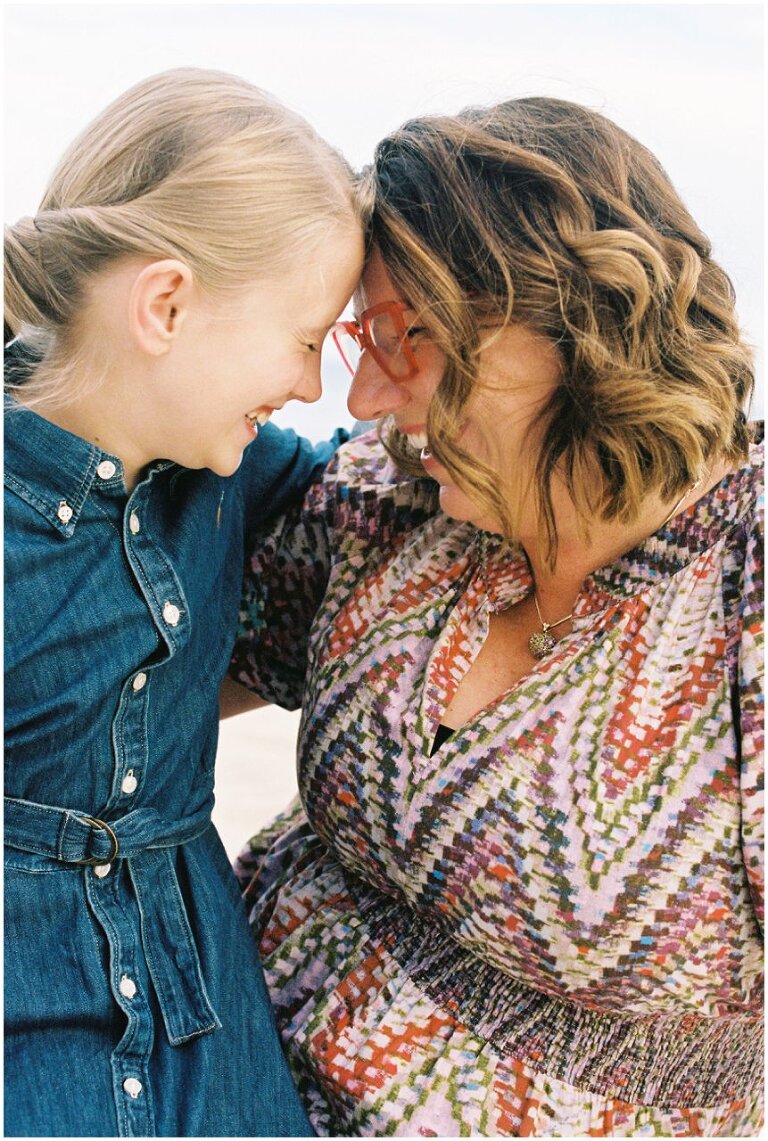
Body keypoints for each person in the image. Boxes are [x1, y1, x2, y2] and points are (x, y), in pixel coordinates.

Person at [230, 97, 763, 1136]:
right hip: (204, 1072)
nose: (372, 398)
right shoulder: (392, 499)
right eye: (359, 337)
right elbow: (153, 679)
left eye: (408, 338)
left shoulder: (741, 598)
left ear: (574, 321)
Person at [4, 67, 363, 1137]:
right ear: (165, 304)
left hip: (200, 1002)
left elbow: (377, 481)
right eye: (305, 338)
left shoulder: (230, 473)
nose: (309, 384)